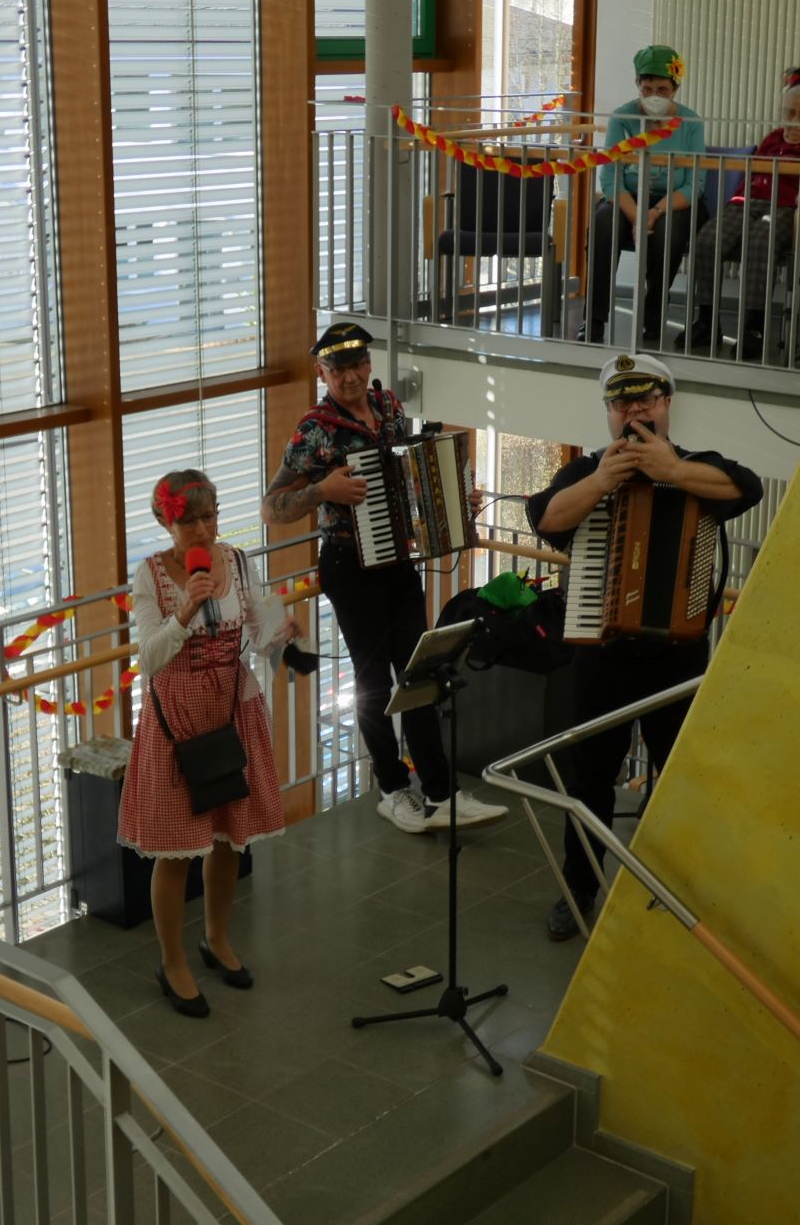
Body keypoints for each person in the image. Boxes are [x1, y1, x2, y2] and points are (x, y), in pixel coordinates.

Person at [526, 354, 762, 940]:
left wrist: (673, 470)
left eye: (646, 400)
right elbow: (547, 519)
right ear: (608, 412)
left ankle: (679, 886)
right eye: (621, 402)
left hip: (676, 657)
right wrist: (601, 482)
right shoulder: (586, 470)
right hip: (601, 655)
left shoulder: (697, 465)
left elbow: (748, 488)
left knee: (679, 779)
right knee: (589, 780)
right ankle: (580, 886)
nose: (634, 411)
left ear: (666, 405)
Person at [262, 322, 508, 834]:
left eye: (357, 365)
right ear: (322, 372)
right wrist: (322, 491)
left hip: (397, 562)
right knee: (372, 682)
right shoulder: (314, 431)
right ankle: (393, 790)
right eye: (338, 369)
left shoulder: (389, 407)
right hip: (348, 567)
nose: (350, 377)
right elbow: (272, 507)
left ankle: (440, 793)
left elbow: (409, 479)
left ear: (369, 364)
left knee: (419, 674)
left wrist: (451, 501)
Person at [117, 470, 296, 1017]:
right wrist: (185, 612)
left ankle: (216, 938)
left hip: (233, 709)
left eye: (209, 517)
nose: (201, 530)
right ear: (166, 523)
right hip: (178, 718)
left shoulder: (238, 562)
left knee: (228, 838)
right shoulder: (150, 575)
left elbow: (258, 632)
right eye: (188, 521)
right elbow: (149, 658)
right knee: (176, 850)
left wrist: (281, 632)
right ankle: (172, 961)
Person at [682, 67, 800, 361]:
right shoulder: (773, 137)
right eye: (789, 113)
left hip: (789, 207)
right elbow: (753, 174)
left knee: (761, 240)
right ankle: (706, 320)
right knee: (708, 240)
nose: (794, 122)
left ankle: (754, 328)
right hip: (748, 201)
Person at [582, 45, 709, 347]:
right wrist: (637, 214)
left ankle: (653, 317)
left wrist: (654, 212)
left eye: (662, 89)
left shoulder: (691, 123)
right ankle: (594, 319)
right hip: (629, 198)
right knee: (603, 224)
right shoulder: (622, 118)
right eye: (647, 88)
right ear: (638, 85)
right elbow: (610, 178)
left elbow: (695, 184)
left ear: (675, 89)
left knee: (668, 233)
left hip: (676, 202)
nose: (654, 96)